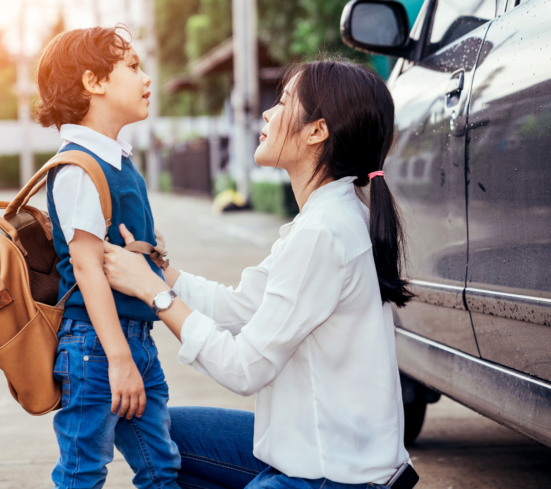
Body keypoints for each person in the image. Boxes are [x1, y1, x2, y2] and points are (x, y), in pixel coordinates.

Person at [102, 59, 415, 489]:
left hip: (334, 478)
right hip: (305, 450)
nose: (267, 113)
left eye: (283, 102)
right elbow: (241, 305)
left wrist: (154, 293)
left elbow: (245, 368)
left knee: (149, 428)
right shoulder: (327, 216)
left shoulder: (324, 232)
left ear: (316, 131)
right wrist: (163, 272)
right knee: (150, 427)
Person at [35, 25, 180, 489]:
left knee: (161, 467)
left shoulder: (116, 159)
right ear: (94, 83)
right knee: (82, 472)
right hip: (97, 349)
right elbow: (86, 265)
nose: (147, 78)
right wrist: (120, 359)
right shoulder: (80, 166)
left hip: (132, 338)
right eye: (134, 66)